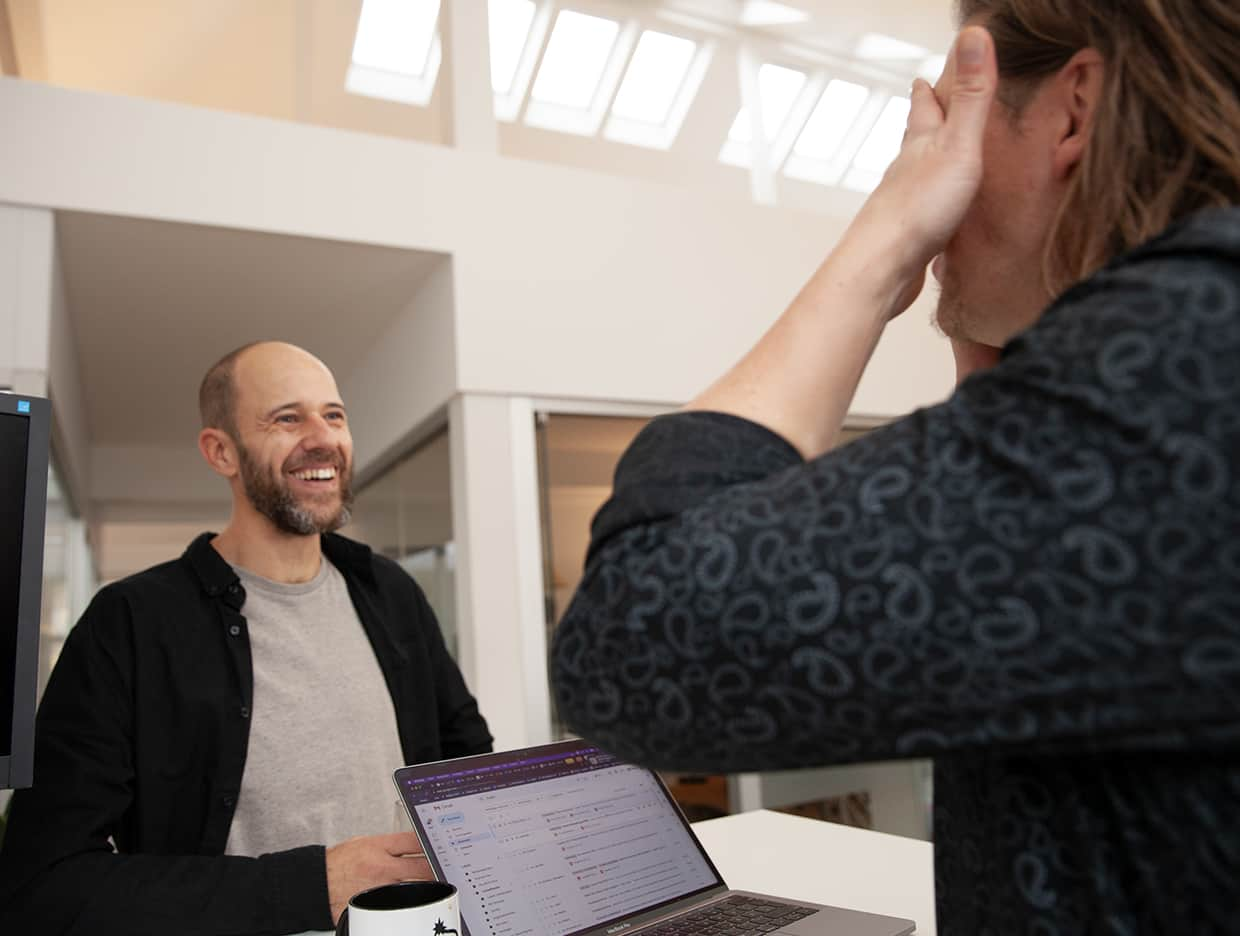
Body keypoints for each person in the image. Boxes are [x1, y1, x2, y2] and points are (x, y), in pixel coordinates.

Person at [550, 1, 1240, 933]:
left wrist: (887, 236)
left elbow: (630, 641)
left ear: (1075, 111)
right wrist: (1012, 386)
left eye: (955, 124)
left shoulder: (1176, 366)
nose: (934, 166)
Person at [0, 341, 493, 935]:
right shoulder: (131, 622)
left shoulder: (390, 592)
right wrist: (315, 885)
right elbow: (45, 883)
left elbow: (468, 762)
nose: (322, 437)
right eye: (287, 417)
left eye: (333, 415)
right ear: (221, 451)